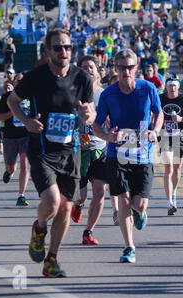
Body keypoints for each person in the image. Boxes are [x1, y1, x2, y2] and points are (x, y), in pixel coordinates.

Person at [7, 28, 96, 277]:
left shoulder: (82, 78)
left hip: (71, 152)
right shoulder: (36, 77)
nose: (64, 51)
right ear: (48, 51)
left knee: (67, 208)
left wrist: (88, 116)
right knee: (52, 202)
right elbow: (13, 101)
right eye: (58, 47)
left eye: (67, 47)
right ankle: (40, 227)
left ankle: (51, 260)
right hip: (42, 151)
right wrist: (26, 121)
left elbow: (91, 111)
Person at [93, 49, 163, 263]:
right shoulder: (108, 95)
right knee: (123, 200)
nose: (126, 71)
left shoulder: (148, 88)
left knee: (139, 204)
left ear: (136, 67)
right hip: (117, 155)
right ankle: (129, 246)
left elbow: (158, 113)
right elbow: (96, 126)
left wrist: (155, 132)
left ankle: (140, 212)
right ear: (116, 68)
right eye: (122, 68)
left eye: (130, 67)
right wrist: (108, 137)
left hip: (142, 155)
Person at [68, 55, 108, 245]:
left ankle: (88, 231)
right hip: (78, 150)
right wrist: (76, 136)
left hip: (100, 149)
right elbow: (66, 120)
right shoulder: (72, 94)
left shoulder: (105, 95)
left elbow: (113, 119)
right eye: (84, 67)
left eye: (91, 66)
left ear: (98, 71)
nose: (88, 69)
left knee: (100, 192)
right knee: (81, 196)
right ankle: (79, 204)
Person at [159, 74, 183, 215]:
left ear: (178, 87)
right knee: (168, 167)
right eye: (169, 85)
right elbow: (153, 114)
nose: (172, 88)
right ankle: (169, 203)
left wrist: (182, 118)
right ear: (166, 86)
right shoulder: (160, 99)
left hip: (180, 136)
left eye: (174, 85)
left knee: (177, 167)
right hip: (164, 135)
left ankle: (174, 192)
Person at [0, 73, 31, 206]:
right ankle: (9, 171)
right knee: (12, 168)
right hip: (10, 137)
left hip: (26, 136)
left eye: (24, 81)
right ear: (14, 82)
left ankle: (21, 195)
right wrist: (14, 111)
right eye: (18, 80)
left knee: (24, 162)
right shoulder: (7, 97)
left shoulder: (31, 98)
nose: (21, 83)